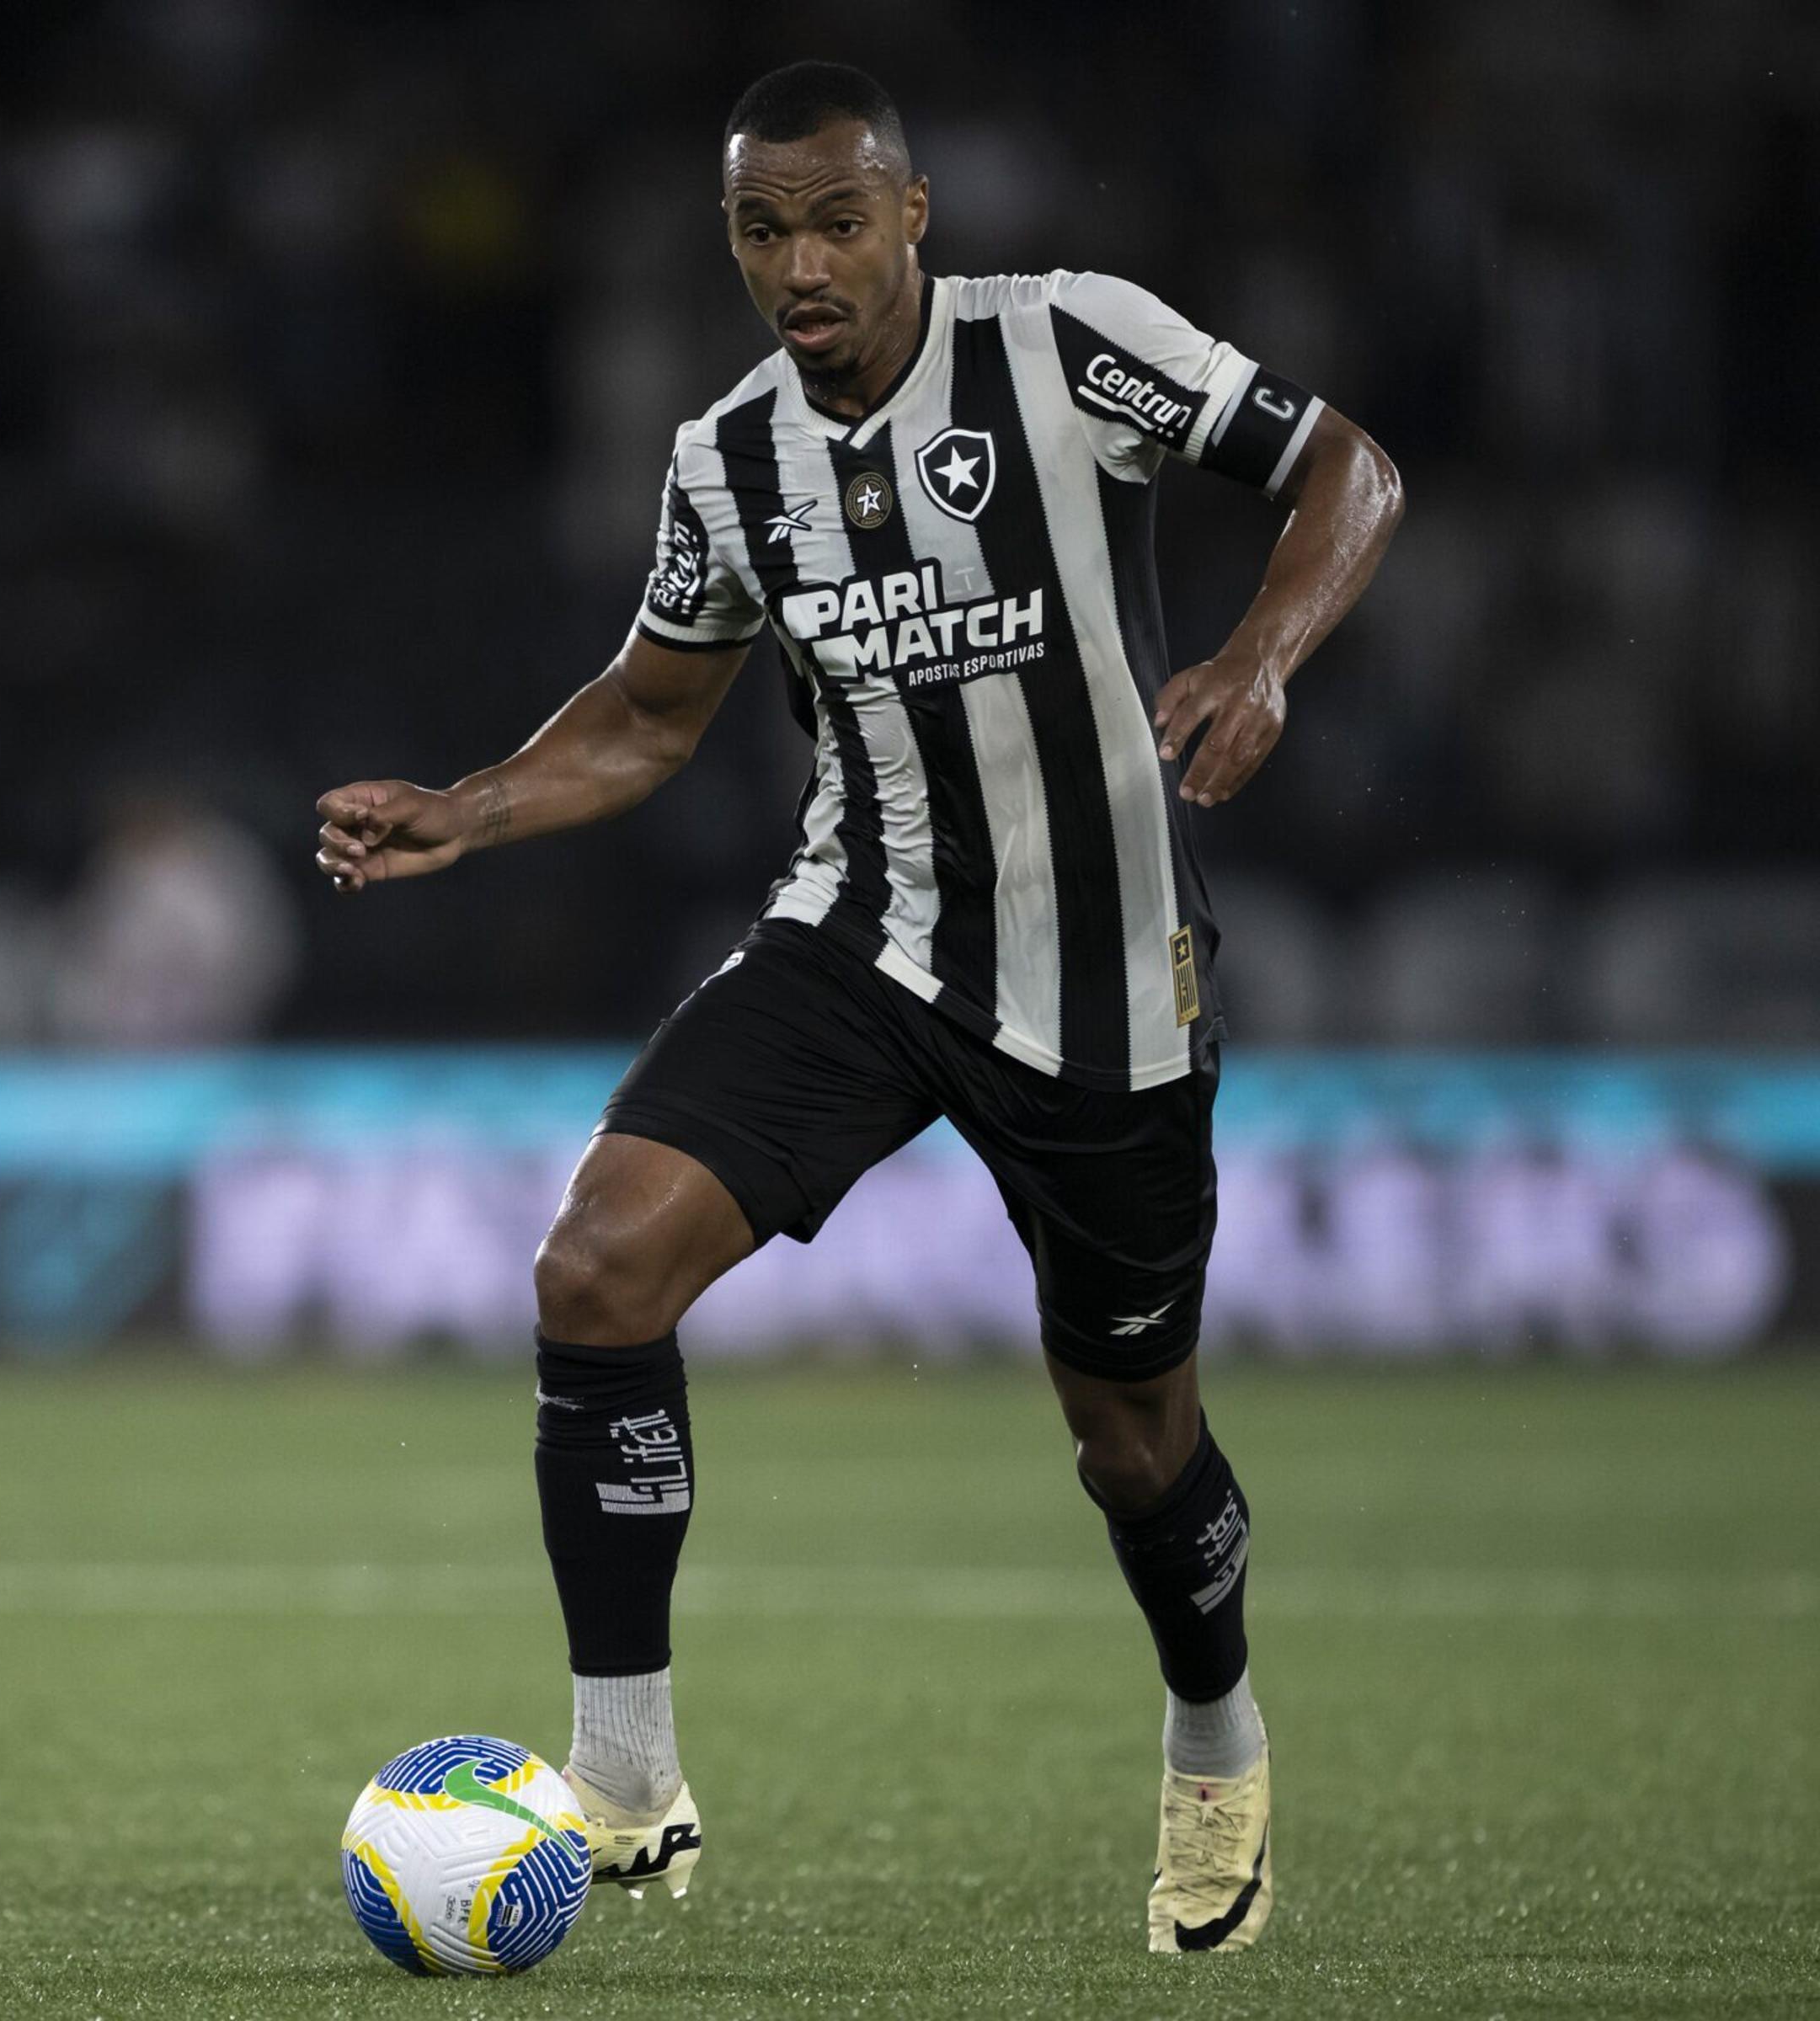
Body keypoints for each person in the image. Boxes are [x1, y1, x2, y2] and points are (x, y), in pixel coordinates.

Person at [314, 61, 1401, 1954]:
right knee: (596, 1270)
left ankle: (1215, 1736)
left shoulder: (1068, 347)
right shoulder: (728, 460)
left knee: (1132, 1440)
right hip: (864, 935)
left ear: (915, 212)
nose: (799, 262)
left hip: (1102, 977)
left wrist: (1259, 653)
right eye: (759, 228)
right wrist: (472, 807)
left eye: (835, 217)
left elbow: (1347, 468)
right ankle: (628, 1776)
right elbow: (654, 711)